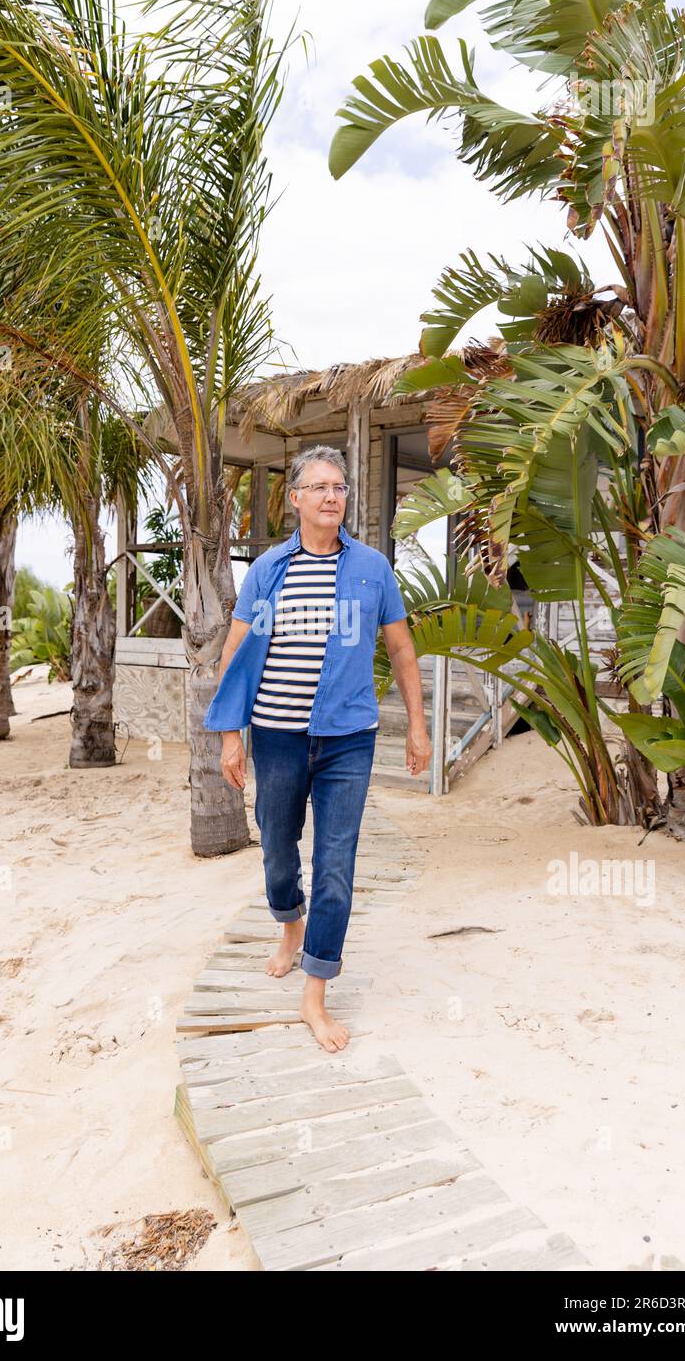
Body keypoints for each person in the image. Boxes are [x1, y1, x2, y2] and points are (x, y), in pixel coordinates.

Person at [203, 446, 432, 1052]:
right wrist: (233, 735)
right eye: (320, 487)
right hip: (276, 737)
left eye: (341, 487)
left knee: (336, 864)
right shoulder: (267, 570)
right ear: (297, 499)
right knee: (277, 845)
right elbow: (233, 653)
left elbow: (403, 650)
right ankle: (289, 925)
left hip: (348, 739)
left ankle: (315, 992)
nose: (333, 496)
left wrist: (417, 725)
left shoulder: (372, 568)